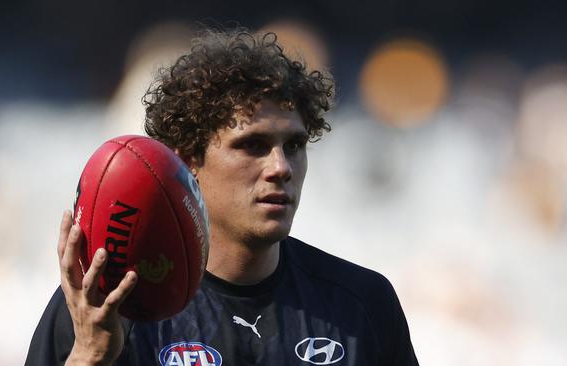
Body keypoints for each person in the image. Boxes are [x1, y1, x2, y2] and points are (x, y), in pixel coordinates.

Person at [26, 28, 418, 366]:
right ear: (187, 163)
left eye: (295, 145)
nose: (280, 166)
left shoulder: (362, 304)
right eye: (253, 145)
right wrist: (91, 356)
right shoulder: (108, 305)